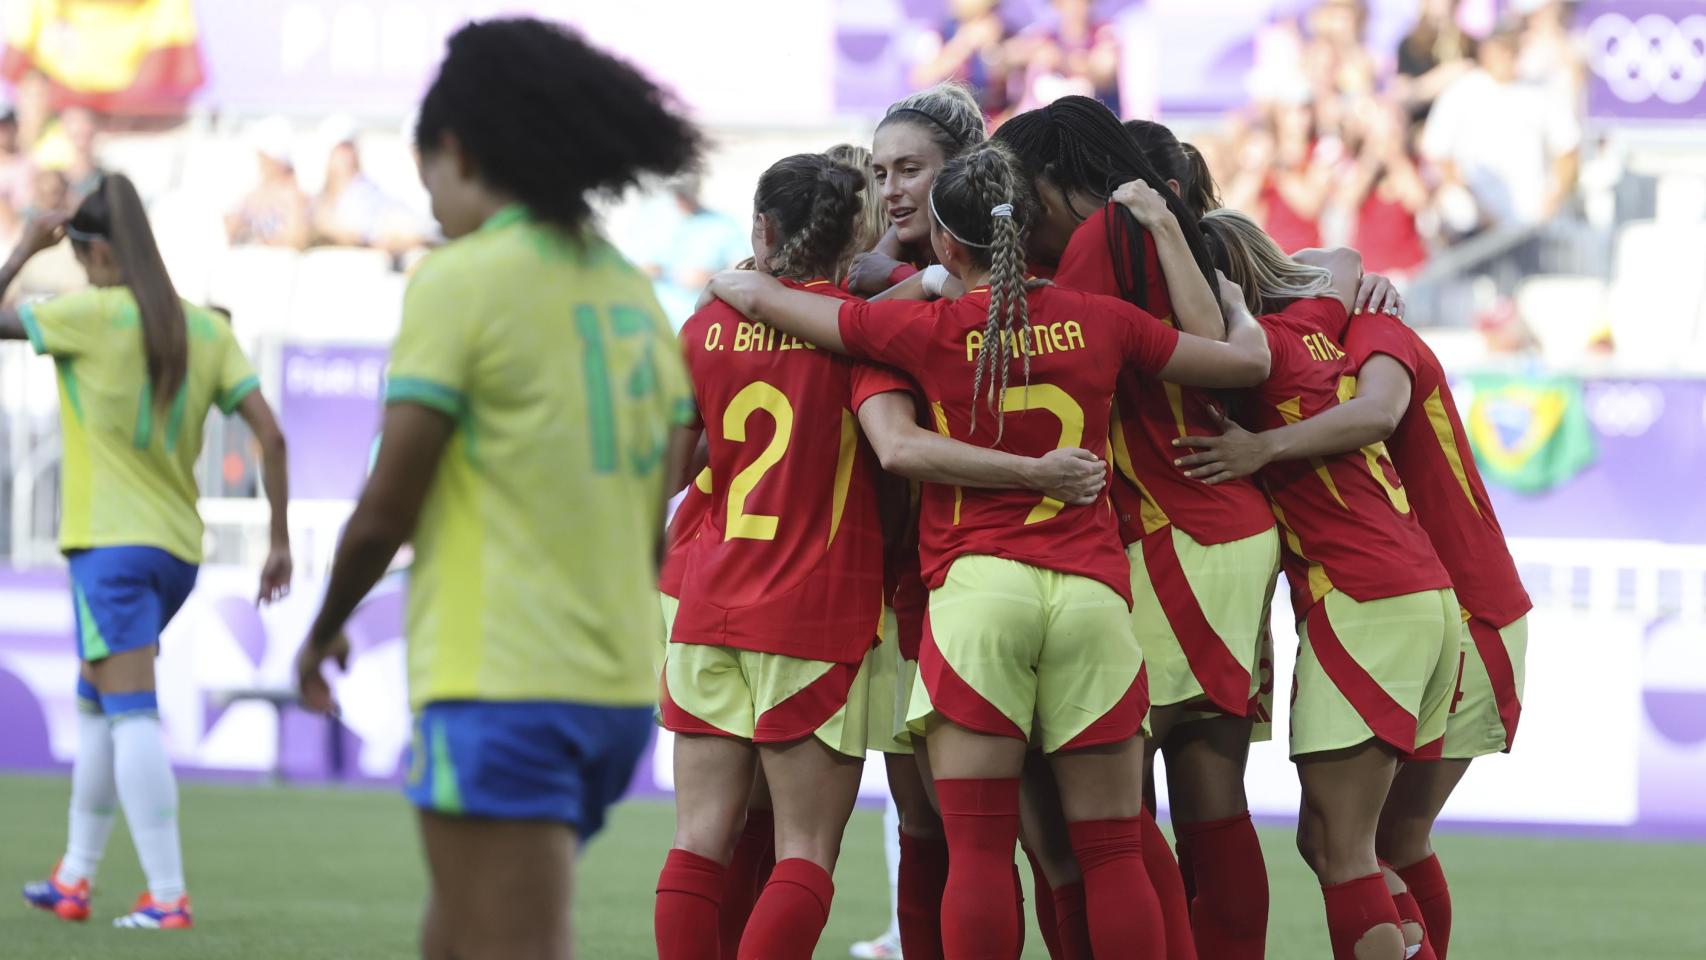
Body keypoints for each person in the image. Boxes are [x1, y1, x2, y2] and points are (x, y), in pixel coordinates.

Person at [707, 138, 1272, 960]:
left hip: (977, 595)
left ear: (945, 243)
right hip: (1089, 596)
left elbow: (792, 308)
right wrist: (1243, 306)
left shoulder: (919, 331)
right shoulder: (1103, 320)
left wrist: (740, 282)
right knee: (1114, 849)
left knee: (975, 849)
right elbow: (1238, 362)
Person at [292, 19, 699, 960]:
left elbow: (385, 511)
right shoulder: (634, 295)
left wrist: (318, 636)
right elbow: (652, 527)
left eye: (428, 174)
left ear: (462, 152)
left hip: (501, 685)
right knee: (461, 931)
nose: (430, 206)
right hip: (611, 690)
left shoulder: (463, 280)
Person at [1170, 288, 1529, 960]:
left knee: (1363, 844)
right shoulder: (1311, 343)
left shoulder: (1371, 329)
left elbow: (1378, 410)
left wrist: (1264, 447)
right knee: (1369, 841)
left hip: (1447, 601)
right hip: (1443, 601)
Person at [5, 174, 292, 930]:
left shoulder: (87, 315)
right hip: (175, 552)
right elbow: (273, 435)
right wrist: (280, 540)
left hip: (110, 547)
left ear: (95, 251)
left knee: (129, 712)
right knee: (97, 701)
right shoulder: (204, 329)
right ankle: (75, 875)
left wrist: (24, 247)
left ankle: (167, 896)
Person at [1195, 208, 1459, 960]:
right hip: (1413, 594)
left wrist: (1261, 443)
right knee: (1332, 841)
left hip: (1362, 598)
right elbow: (1341, 257)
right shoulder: (1313, 324)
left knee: (1344, 848)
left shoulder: (1249, 359)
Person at [1421, 21, 1580, 230]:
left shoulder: (1541, 91)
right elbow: (1437, 152)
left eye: (1512, 48)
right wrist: (1474, 204)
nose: (1506, 56)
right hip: (1479, 227)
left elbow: (1567, 148)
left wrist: (1554, 197)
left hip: (1532, 222)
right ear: (1486, 50)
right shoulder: (1461, 92)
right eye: (1501, 48)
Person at [843, 83, 986, 298]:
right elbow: (852, 319)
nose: (888, 191)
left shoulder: (1008, 248)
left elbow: (981, 305)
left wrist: (904, 275)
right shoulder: (880, 259)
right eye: (881, 175)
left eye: (909, 170)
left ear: (960, 169)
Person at [639, 176, 750, 330]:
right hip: (660, 324)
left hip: (705, 326)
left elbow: (743, 272)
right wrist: (666, 272)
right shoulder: (652, 222)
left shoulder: (724, 224)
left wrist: (713, 278)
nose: (680, 199)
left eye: (684, 193)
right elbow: (635, 267)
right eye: (676, 194)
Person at [224, 116, 311, 250]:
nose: (260, 162)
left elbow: (296, 241)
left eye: (263, 157)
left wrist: (259, 239)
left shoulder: (293, 195)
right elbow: (230, 230)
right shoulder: (255, 192)